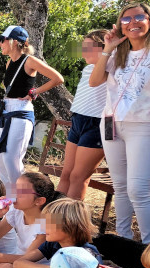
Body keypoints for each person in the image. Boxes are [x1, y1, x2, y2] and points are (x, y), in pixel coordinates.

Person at [89, 3, 150, 243]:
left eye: (139, 17)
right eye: (126, 19)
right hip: (110, 123)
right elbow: (95, 81)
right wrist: (108, 48)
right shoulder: (117, 54)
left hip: (142, 126)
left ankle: (147, 248)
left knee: (138, 189)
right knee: (120, 186)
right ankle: (124, 239)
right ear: (120, 24)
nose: (133, 22)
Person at [0, 26, 64, 198]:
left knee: (11, 159)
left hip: (21, 113)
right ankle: (10, 201)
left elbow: (58, 78)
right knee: (1, 160)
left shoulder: (29, 61)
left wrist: (35, 91)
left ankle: (22, 200)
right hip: (6, 111)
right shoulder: (9, 62)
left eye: (2, 40)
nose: (0, 44)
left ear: (14, 42)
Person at [57, 30, 108, 200]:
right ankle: (53, 217)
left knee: (79, 177)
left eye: (88, 47)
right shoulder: (88, 68)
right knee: (66, 173)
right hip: (78, 119)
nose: (83, 51)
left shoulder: (114, 66)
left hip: (99, 124)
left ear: (103, 48)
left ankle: (69, 223)